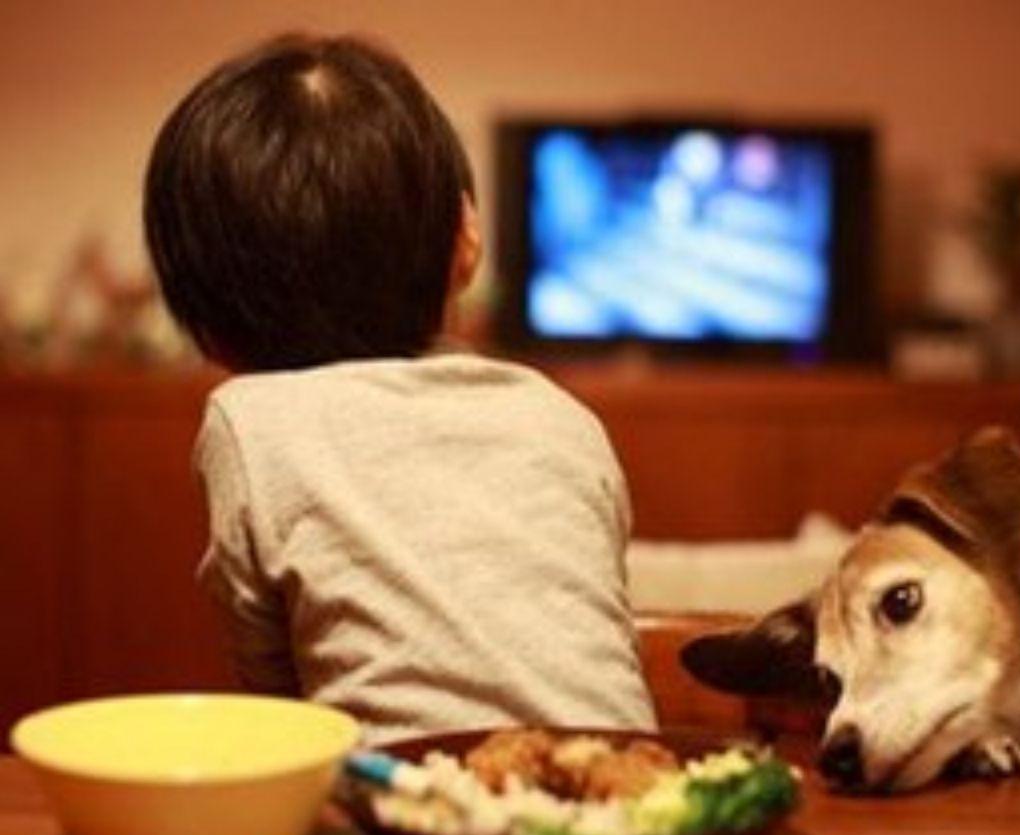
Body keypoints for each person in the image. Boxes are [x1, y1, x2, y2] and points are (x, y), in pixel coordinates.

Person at [143, 33, 656, 744]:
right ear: (466, 239)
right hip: (639, 813)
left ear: (204, 305)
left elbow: (280, 709)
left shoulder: (251, 423)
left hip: (407, 824)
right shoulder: (563, 416)